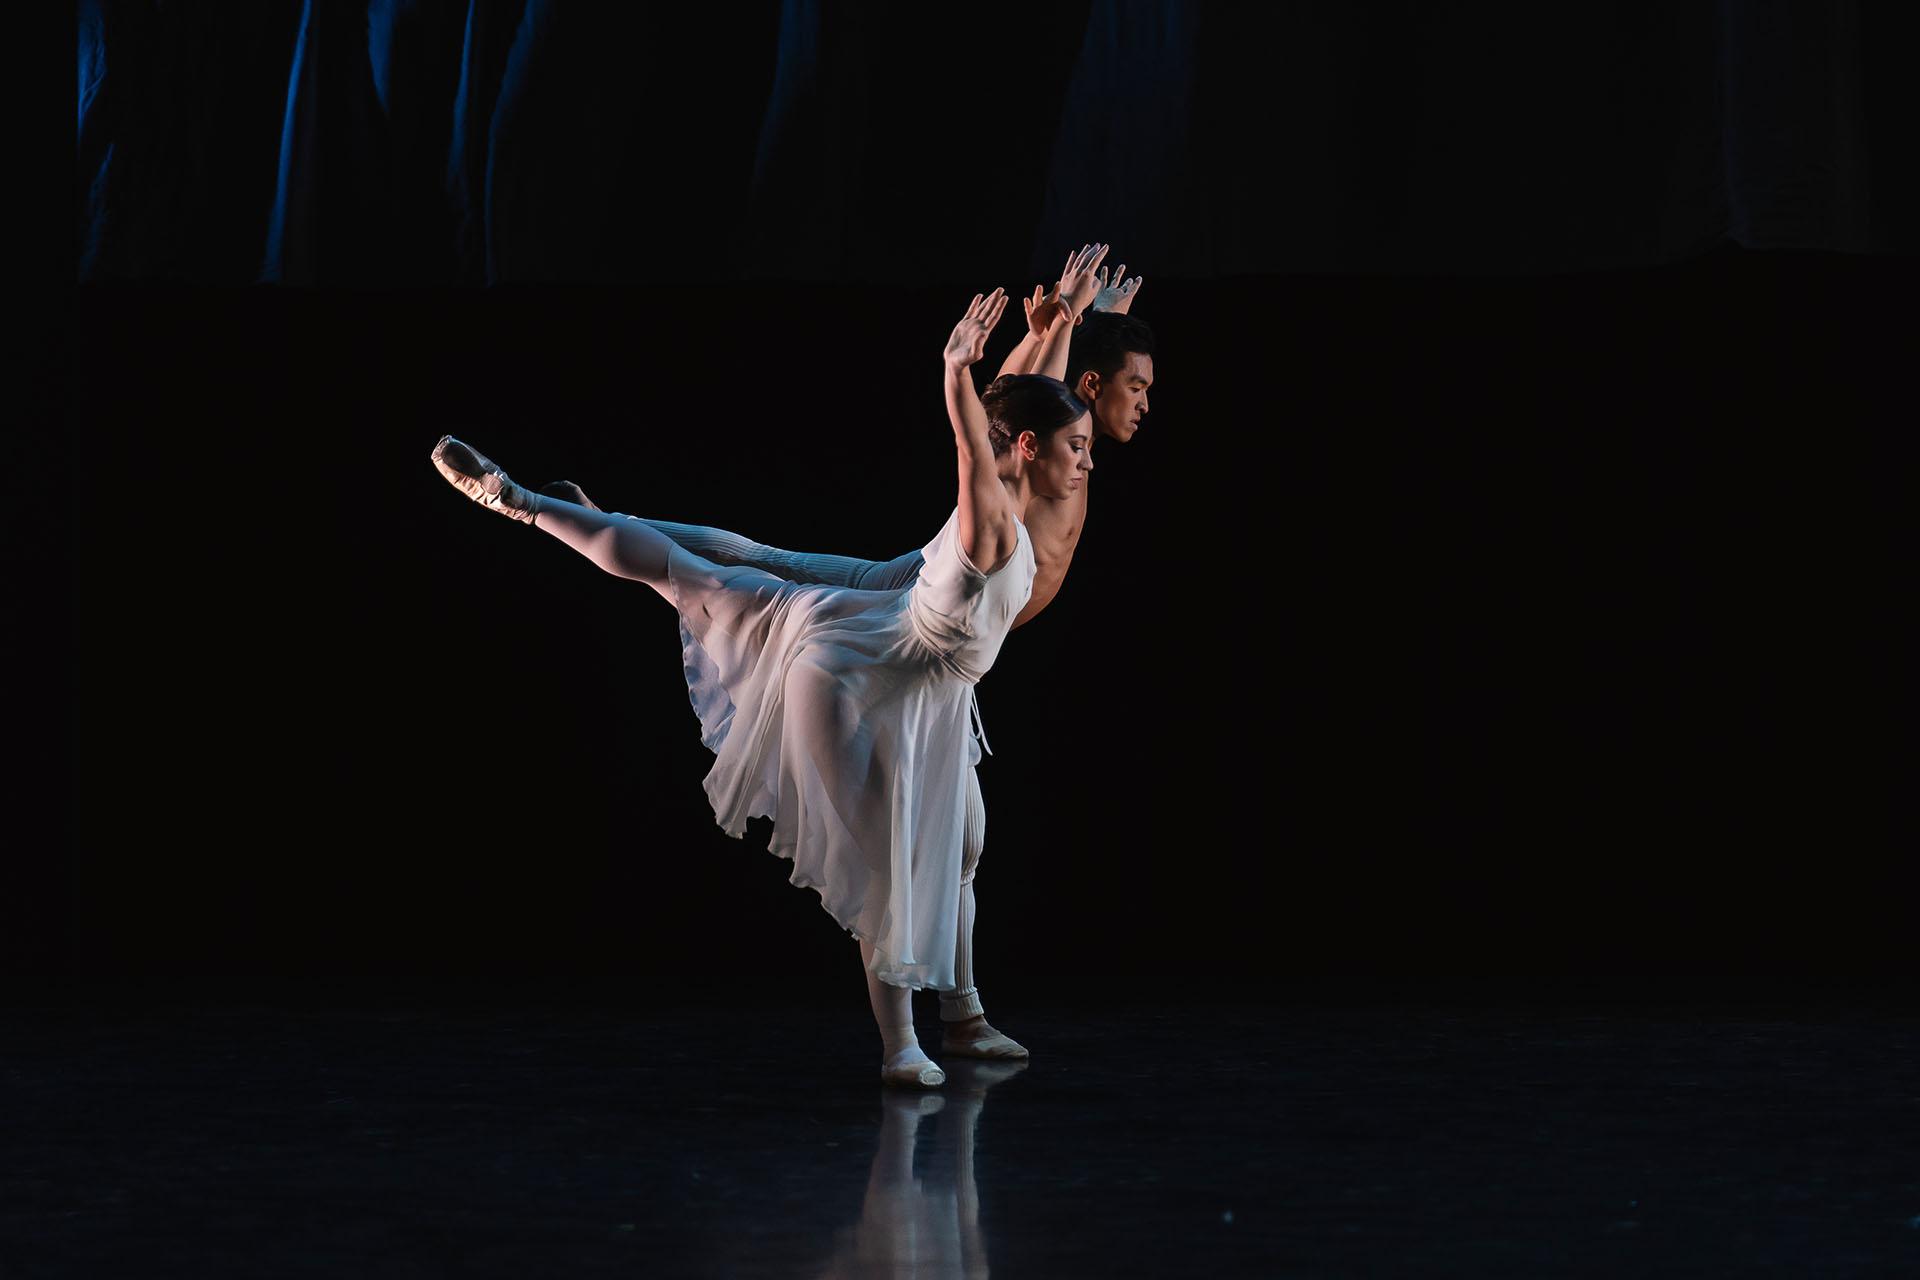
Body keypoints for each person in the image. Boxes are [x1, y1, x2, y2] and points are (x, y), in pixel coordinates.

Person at [430, 287, 1090, 1088]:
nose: (1088, 460)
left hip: (921, 671)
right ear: (1028, 450)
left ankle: (965, 1016)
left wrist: (1056, 333)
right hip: (850, 672)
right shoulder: (992, 520)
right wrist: (955, 369)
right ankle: (520, 500)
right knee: (704, 584)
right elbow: (973, 439)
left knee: (961, 848)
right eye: (1078, 447)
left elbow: (1015, 419)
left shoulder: (1024, 490)